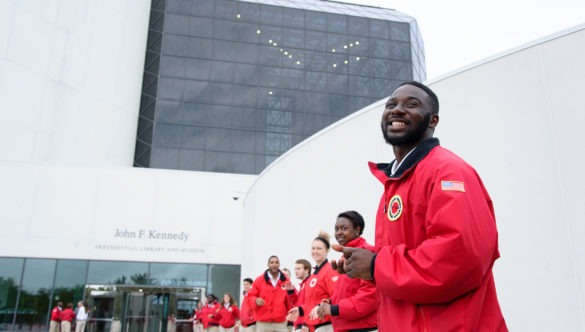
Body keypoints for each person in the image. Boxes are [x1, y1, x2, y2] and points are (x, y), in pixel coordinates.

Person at [332, 81, 508, 331]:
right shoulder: (395, 182)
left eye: (411, 104)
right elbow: (404, 254)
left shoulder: (448, 171)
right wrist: (363, 264)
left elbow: (457, 258)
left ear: (432, 120)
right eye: (391, 105)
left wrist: (375, 265)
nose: (397, 110)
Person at [318, 211, 377, 332]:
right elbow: (348, 290)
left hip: (363, 328)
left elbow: (370, 295)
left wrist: (335, 309)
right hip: (347, 327)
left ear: (357, 229)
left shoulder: (365, 253)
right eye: (336, 229)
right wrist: (331, 301)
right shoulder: (345, 255)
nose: (339, 232)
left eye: (344, 228)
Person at [287, 231, 338, 332]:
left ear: (327, 250)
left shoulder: (330, 270)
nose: (315, 251)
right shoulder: (313, 276)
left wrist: (320, 306)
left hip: (327, 325)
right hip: (316, 327)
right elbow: (312, 303)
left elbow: (336, 296)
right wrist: (301, 310)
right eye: (313, 248)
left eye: (319, 248)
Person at [247, 255, 291, 332]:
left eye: (277, 262)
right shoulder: (259, 280)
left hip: (281, 322)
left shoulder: (286, 281)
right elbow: (250, 297)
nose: (274, 264)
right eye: (272, 262)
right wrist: (256, 300)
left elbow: (290, 299)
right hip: (263, 323)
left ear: (279, 264)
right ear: (268, 265)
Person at [286, 259, 311, 332]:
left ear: (307, 270)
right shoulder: (303, 285)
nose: (296, 271)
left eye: (299, 269)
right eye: (295, 269)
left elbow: (311, 304)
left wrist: (307, 324)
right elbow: (297, 304)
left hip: (304, 325)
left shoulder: (309, 284)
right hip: (299, 325)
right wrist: (291, 292)